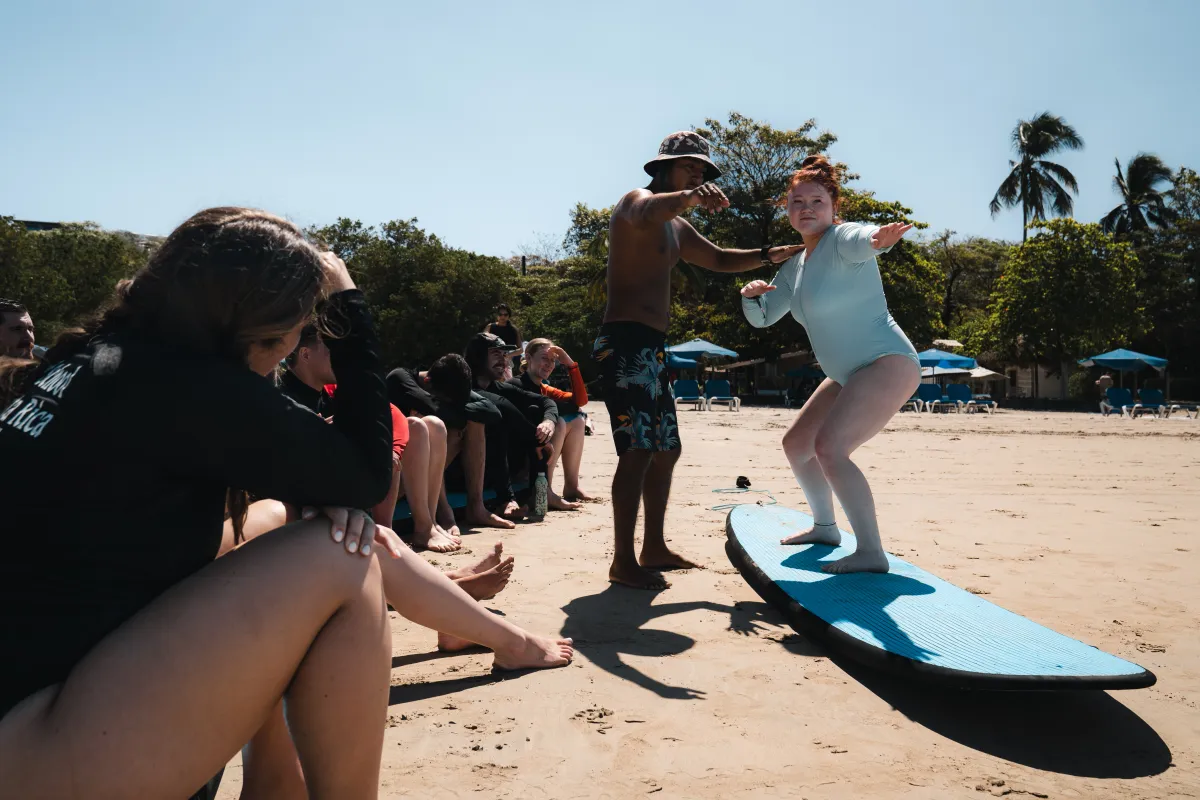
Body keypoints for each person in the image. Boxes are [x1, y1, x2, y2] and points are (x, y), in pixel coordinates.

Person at [0, 207, 572, 799]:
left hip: (41, 700)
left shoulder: (102, 356)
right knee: (340, 554)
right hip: (41, 745)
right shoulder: (189, 386)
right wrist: (348, 303)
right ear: (254, 329)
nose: (296, 348)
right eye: (297, 333)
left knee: (287, 521)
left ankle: (278, 782)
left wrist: (331, 499)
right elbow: (366, 475)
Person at [593, 130, 803, 589]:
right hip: (623, 342)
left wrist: (769, 255)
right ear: (662, 167)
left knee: (667, 449)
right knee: (638, 449)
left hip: (652, 347)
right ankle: (623, 561)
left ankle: (653, 547)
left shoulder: (678, 227)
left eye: (703, 169)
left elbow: (721, 259)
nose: (699, 173)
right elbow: (650, 208)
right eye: (690, 166)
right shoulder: (636, 202)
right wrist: (688, 196)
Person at [741, 156, 919, 574]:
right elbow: (765, 317)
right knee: (797, 445)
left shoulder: (842, 239)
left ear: (833, 207)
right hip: (846, 373)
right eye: (796, 201)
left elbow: (865, 239)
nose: (806, 208)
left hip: (886, 362)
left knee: (831, 449)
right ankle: (825, 527)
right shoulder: (795, 266)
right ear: (786, 209)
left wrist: (881, 238)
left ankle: (871, 553)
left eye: (816, 201)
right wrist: (750, 297)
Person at [284, 324, 462, 553]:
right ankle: (385, 538)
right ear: (305, 354)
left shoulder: (330, 390)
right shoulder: (286, 398)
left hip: (353, 489)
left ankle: (417, 527)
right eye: (331, 351)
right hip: (313, 503)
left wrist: (393, 451)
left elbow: (389, 412)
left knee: (411, 429)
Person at [387, 359, 516, 530]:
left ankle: (476, 507)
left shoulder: (448, 382)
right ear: (427, 382)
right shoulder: (399, 379)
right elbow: (434, 407)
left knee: (473, 422)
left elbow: (492, 412)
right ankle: (443, 513)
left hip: (428, 475)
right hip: (396, 478)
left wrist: (458, 410)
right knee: (433, 424)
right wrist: (455, 412)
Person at [463, 332, 568, 513]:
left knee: (535, 411)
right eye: (496, 354)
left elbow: (546, 402)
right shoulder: (466, 388)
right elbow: (499, 406)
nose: (503, 361)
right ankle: (506, 499)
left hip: (500, 469)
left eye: (504, 355)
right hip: (464, 475)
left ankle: (537, 491)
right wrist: (537, 440)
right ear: (478, 356)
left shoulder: (498, 387)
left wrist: (549, 422)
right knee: (497, 417)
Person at [517, 338, 594, 503]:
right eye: (544, 358)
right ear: (528, 358)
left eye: (553, 360)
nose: (549, 364)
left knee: (578, 420)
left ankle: (572, 485)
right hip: (520, 461)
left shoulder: (544, 389)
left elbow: (580, 401)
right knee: (558, 422)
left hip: (537, 453)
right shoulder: (516, 385)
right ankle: (545, 491)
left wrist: (570, 364)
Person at [486, 303, 522, 371]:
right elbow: (482, 342)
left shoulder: (513, 330)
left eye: (505, 315)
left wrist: (508, 355)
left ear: (509, 316)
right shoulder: (490, 327)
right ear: (497, 315)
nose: (503, 317)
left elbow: (520, 350)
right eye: (500, 314)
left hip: (506, 363)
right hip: (491, 361)